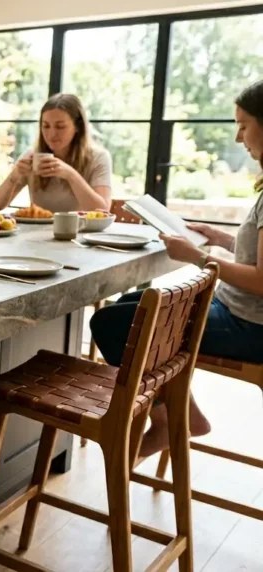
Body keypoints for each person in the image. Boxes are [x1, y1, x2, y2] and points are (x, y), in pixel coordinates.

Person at [90, 80, 263, 458]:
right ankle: (181, 415)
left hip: (249, 326)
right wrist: (221, 238)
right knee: (130, 304)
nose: (238, 137)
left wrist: (197, 256)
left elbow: (262, 280)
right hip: (237, 311)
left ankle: (174, 420)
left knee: (109, 324)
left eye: (244, 124)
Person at [0, 93, 113, 213]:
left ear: (77, 127)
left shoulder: (98, 157)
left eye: (60, 127)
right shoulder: (33, 156)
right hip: (37, 231)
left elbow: (102, 211)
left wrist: (71, 175)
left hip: (79, 232)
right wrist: (14, 176)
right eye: (46, 126)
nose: (52, 134)